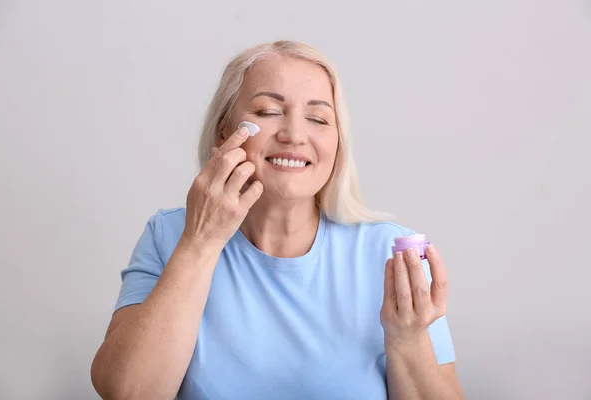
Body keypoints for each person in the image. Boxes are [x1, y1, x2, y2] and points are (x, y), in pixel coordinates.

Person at [91, 40, 464, 400]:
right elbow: (127, 392)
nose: (294, 135)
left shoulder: (389, 253)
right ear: (225, 130)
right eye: (268, 112)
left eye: (318, 118)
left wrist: (408, 341)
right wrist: (201, 242)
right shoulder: (169, 235)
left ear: (338, 142)